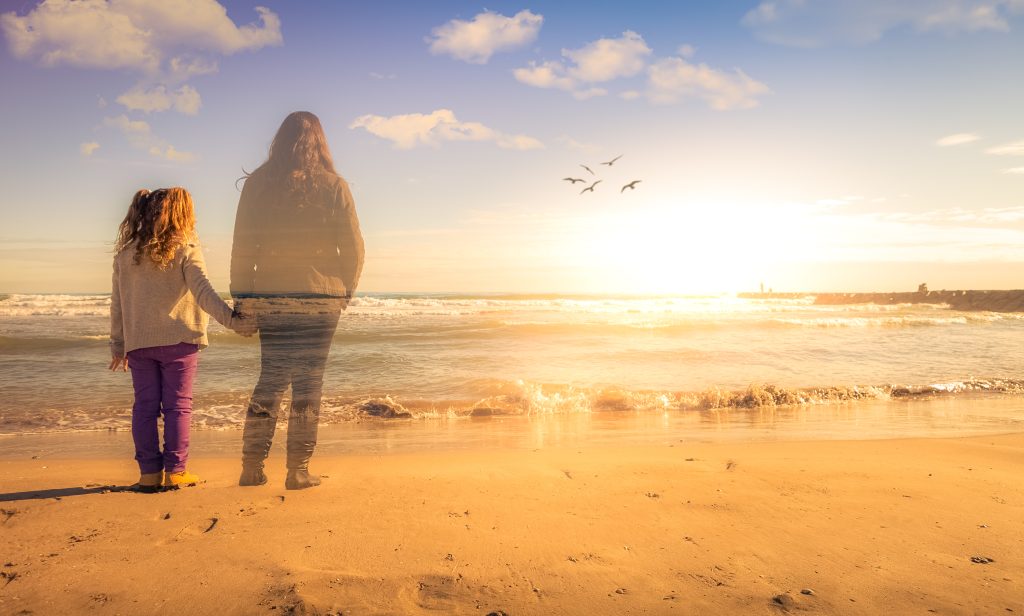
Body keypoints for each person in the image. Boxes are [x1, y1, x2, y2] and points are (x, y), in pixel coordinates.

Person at [231, 111, 365, 490]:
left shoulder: (258, 184)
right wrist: (344, 292)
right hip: (320, 298)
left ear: (279, 139)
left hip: (272, 294)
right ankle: (298, 470)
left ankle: (252, 467)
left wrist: (243, 298)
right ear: (320, 142)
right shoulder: (334, 185)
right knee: (309, 384)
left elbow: (244, 247)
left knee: (270, 380)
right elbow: (354, 248)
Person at [110, 187, 255, 493]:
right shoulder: (185, 248)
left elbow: (118, 304)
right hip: (179, 340)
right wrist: (233, 321)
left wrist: (118, 345)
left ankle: (149, 475)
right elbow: (203, 292)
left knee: (145, 408)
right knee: (178, 408)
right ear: (182, 214)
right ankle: (175, 472)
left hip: (139, 344)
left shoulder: (125, 254)